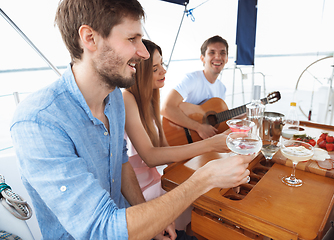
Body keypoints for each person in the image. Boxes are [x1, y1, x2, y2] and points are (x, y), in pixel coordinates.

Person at [10, 0, 252, 239]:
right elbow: (102, 230)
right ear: (90, 38)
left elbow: (122, 162)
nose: (143, 52)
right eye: (132, 39)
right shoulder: (38, 122)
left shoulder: (113, 97)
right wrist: (205, 178)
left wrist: (146, 216)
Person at [123, 39, 230, 231]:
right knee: (203, 204)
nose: (163, 71)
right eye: (155, 69)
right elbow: (150, 156)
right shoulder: (126, 98)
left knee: (211, 196)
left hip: (158, 179)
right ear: (138, 72)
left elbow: (166, 148)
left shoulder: (152, 99)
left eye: (161, 64)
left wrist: (204, 160)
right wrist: (210, 144)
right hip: (138, 191)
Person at [161, 35, 229, 140]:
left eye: (222, 53)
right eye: (212, 52)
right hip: (181, 137)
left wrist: (245, 113)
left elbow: (218, 119)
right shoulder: (192, 79)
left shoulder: (222, 88)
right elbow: (166, 108)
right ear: (202, 58)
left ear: (227, 59)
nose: (218, 57)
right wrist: (198, 127)